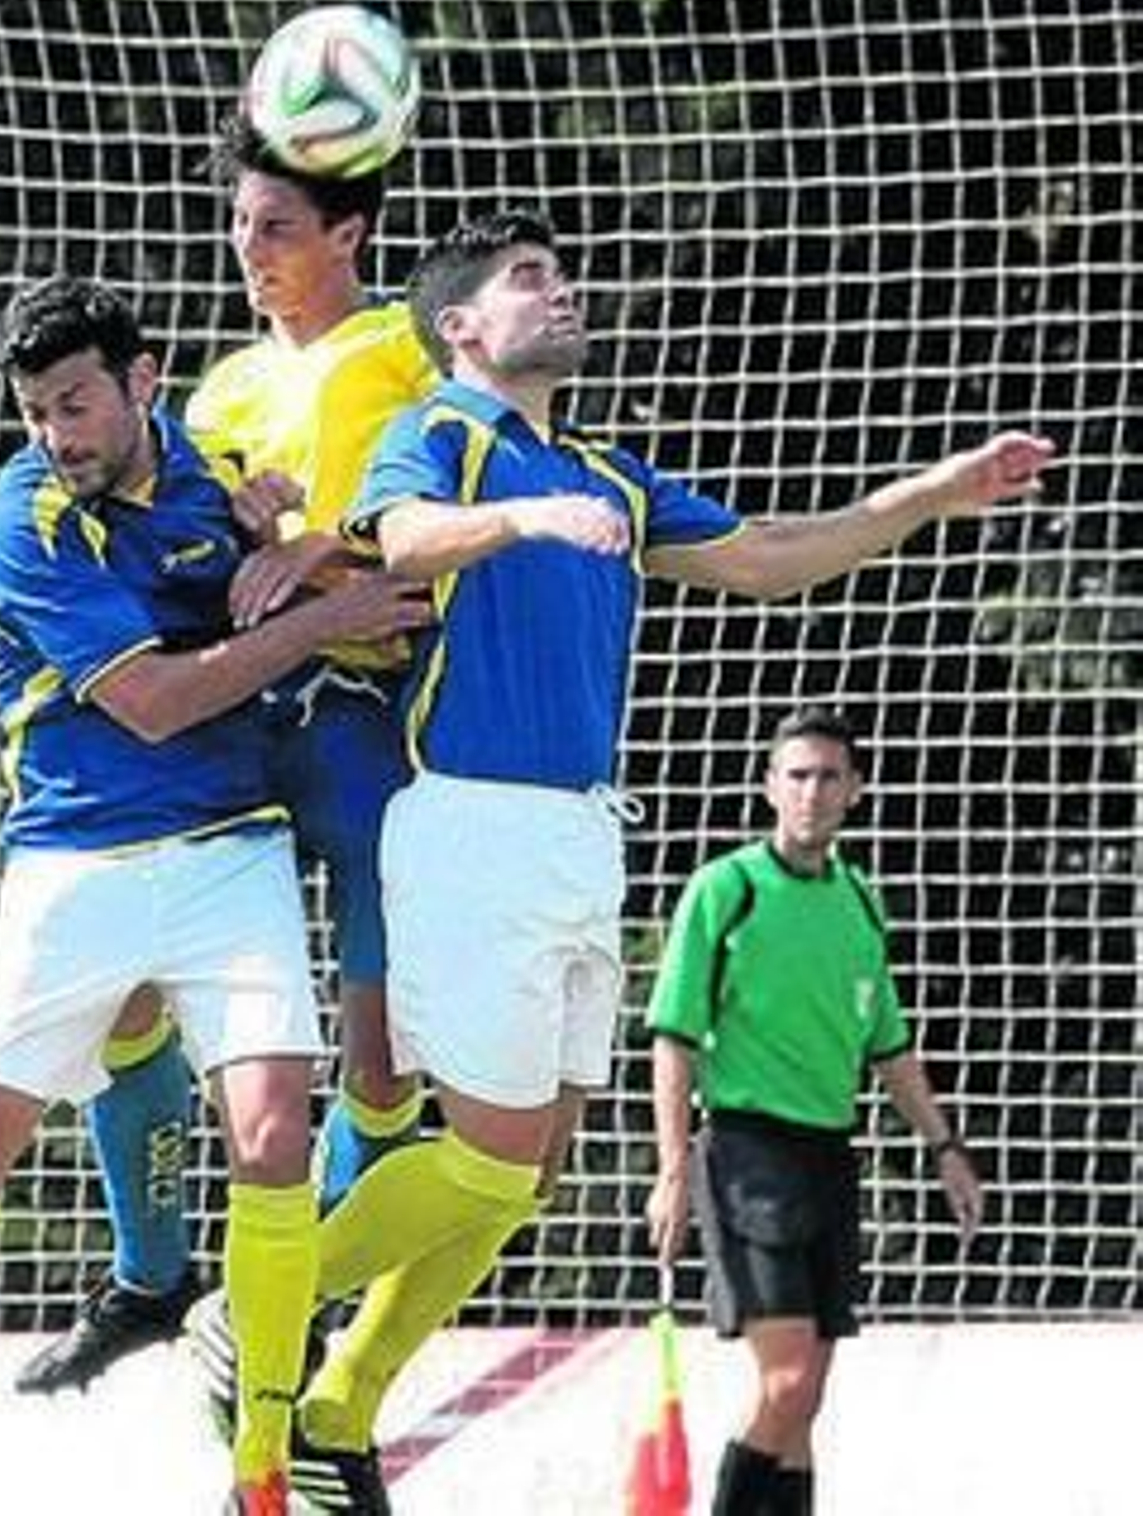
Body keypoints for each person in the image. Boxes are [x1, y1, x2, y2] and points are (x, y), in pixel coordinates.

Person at [186, 207, 1046, 1509]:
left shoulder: (609, 473)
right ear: (463, 326)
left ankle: (340, 1407)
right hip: (470, 824)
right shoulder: (450, 432)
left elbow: (770, 560)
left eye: (562, 275)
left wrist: (938, 493)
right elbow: (401, 537)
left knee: (522, 1174)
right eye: (531, 280)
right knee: (483, 1154)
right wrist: (525, 521)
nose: (562, 291)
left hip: (580, 838)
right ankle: (255, 1301)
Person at [0, 275, 429, 1516]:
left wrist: (302, 550)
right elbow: (153, 700)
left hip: (232, 851)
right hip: (74, 860)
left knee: (270, 1132)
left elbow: (364, 601)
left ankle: (260, 1469)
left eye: (79, 403)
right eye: (40, 411)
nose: (61, 434)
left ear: (142, 381)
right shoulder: (19, 523)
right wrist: (321, 624)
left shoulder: (218, 479)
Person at [14, 112, 439, 1399]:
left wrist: (331, 541)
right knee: (127, 1002)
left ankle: (290, 1305)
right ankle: (152, 1277)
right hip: (240, 734)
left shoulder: (415, 353)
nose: (248, 250)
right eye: (240, 225)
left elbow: (445, 538)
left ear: (348, 233)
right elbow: (191, 554)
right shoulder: (217, 394)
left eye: (277, 227)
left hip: (376, 725)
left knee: (377, 1062)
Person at [645, 707, 986, 1516]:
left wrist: (944, 1147)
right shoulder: (726, 891)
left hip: (831, 1158)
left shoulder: (861, 902)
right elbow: (673, 1037)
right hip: (747, 1155)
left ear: (855, 791)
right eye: (797, 775)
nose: (813, 792)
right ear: (770, 787)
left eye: (830, 776)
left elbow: (890, 1048)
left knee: (807, 1402)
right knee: (788, 1381)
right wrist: (671, 1169)